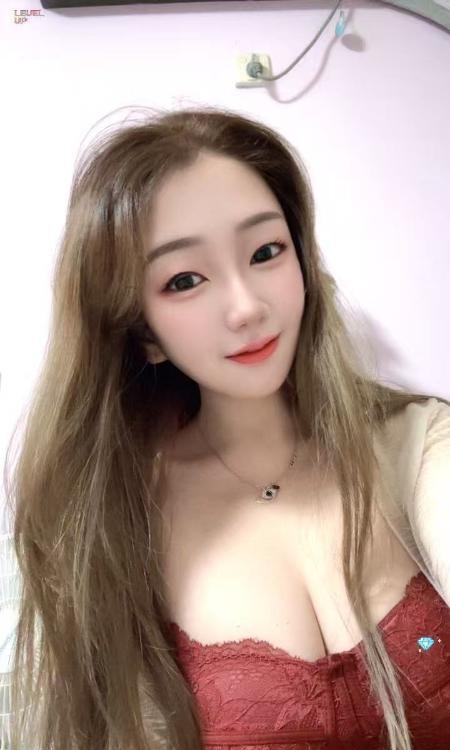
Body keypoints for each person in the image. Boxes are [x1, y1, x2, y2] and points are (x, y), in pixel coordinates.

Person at [1, 105, 449, 750]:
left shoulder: (421, 445)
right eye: (185, 280)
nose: (246, 306)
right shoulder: (112, 524)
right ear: (141, 331)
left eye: (266, 252)